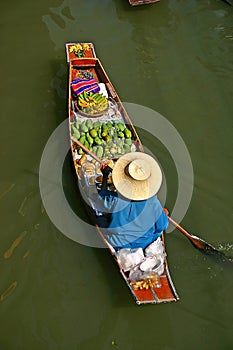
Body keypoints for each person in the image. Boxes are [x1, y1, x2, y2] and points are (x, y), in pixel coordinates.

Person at [96, 152, 168, 251]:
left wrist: (105, 176)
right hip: (144, 244)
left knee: (100, 220)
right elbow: (162, 226)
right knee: (158, 225)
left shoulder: (115, 199)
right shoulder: (154, 202)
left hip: (119, 244)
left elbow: (101, 197)